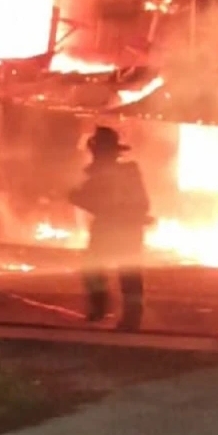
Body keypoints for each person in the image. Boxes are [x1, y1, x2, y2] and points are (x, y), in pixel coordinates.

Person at [68, 126, 152, 330]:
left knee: (105, 269)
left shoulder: (109, 173)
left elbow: (90, 198)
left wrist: (78, 196)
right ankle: (121, 315)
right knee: (124, 273)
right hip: (126, 228)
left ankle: (104, 311)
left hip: (114, 227)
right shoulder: (128, 171)